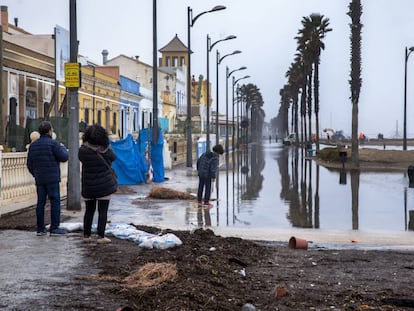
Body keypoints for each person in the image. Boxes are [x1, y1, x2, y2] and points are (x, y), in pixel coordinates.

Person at [27, 121, 69, 236]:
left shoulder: (33, 146)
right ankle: (54, 228)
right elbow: (64, 157)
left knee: (40, 203)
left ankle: (40, 229)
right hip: (52, 178)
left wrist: (36, 174)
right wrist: (63, 148)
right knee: (55, 201)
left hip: (40, 178)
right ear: (50, 131)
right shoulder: (54, 144)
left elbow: (29, 164)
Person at [78, 124, 117, 244]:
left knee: (89, 210)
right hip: (104, 185)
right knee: (102, 211)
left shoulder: (82, 151)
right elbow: (113, 158)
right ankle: (101, 236)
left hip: (88, 185)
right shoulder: (106, 151)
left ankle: (86, 235)